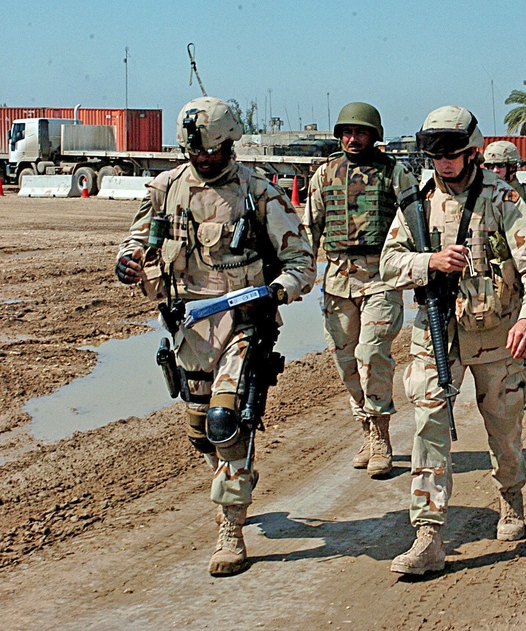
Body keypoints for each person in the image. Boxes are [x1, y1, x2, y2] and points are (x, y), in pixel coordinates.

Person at [115, 96, 315, 575]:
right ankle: (236, 471)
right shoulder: (166, 189)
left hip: (244, 321)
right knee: (201, 429)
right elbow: (138, 240)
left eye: (211, 150)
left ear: (229, 144)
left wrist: (277, 293)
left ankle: (230, 527)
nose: (202, 160)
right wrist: (126, 260)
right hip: (189, 326)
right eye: (195, 151)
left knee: (226, 419)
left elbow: (302, 262)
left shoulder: (257, 192)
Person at [381, 106, 526, 575]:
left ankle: (511, 495)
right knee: (428, 426)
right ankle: (428, 535)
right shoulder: (416, 204)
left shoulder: (503, 200)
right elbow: (389, 265)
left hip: (498, 333)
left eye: (453, 156)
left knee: (503, 426)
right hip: (436, 329)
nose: (444, 165)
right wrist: (429, 263)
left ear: (472, 153)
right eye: (436, 157)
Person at [303, 102, 416, 478]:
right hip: (336, 278)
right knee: (346, 360)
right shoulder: (324, 174)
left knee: (372, 353)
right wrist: (300, 272)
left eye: (361, 132)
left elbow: (416, 221)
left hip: (382, 275)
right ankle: (366, 430)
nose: (353, 139)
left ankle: (382, 433)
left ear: (374, 135)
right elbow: (310, 228)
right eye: (348, 132)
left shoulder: (394, 173)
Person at [482, 140, 526, 403]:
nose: (494, 171)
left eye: (500, 166)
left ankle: (525, 388)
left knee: (523, 336)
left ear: (513, 168)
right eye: (489, 166)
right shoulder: (483, 197)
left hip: (524, 279)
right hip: (494, 281)